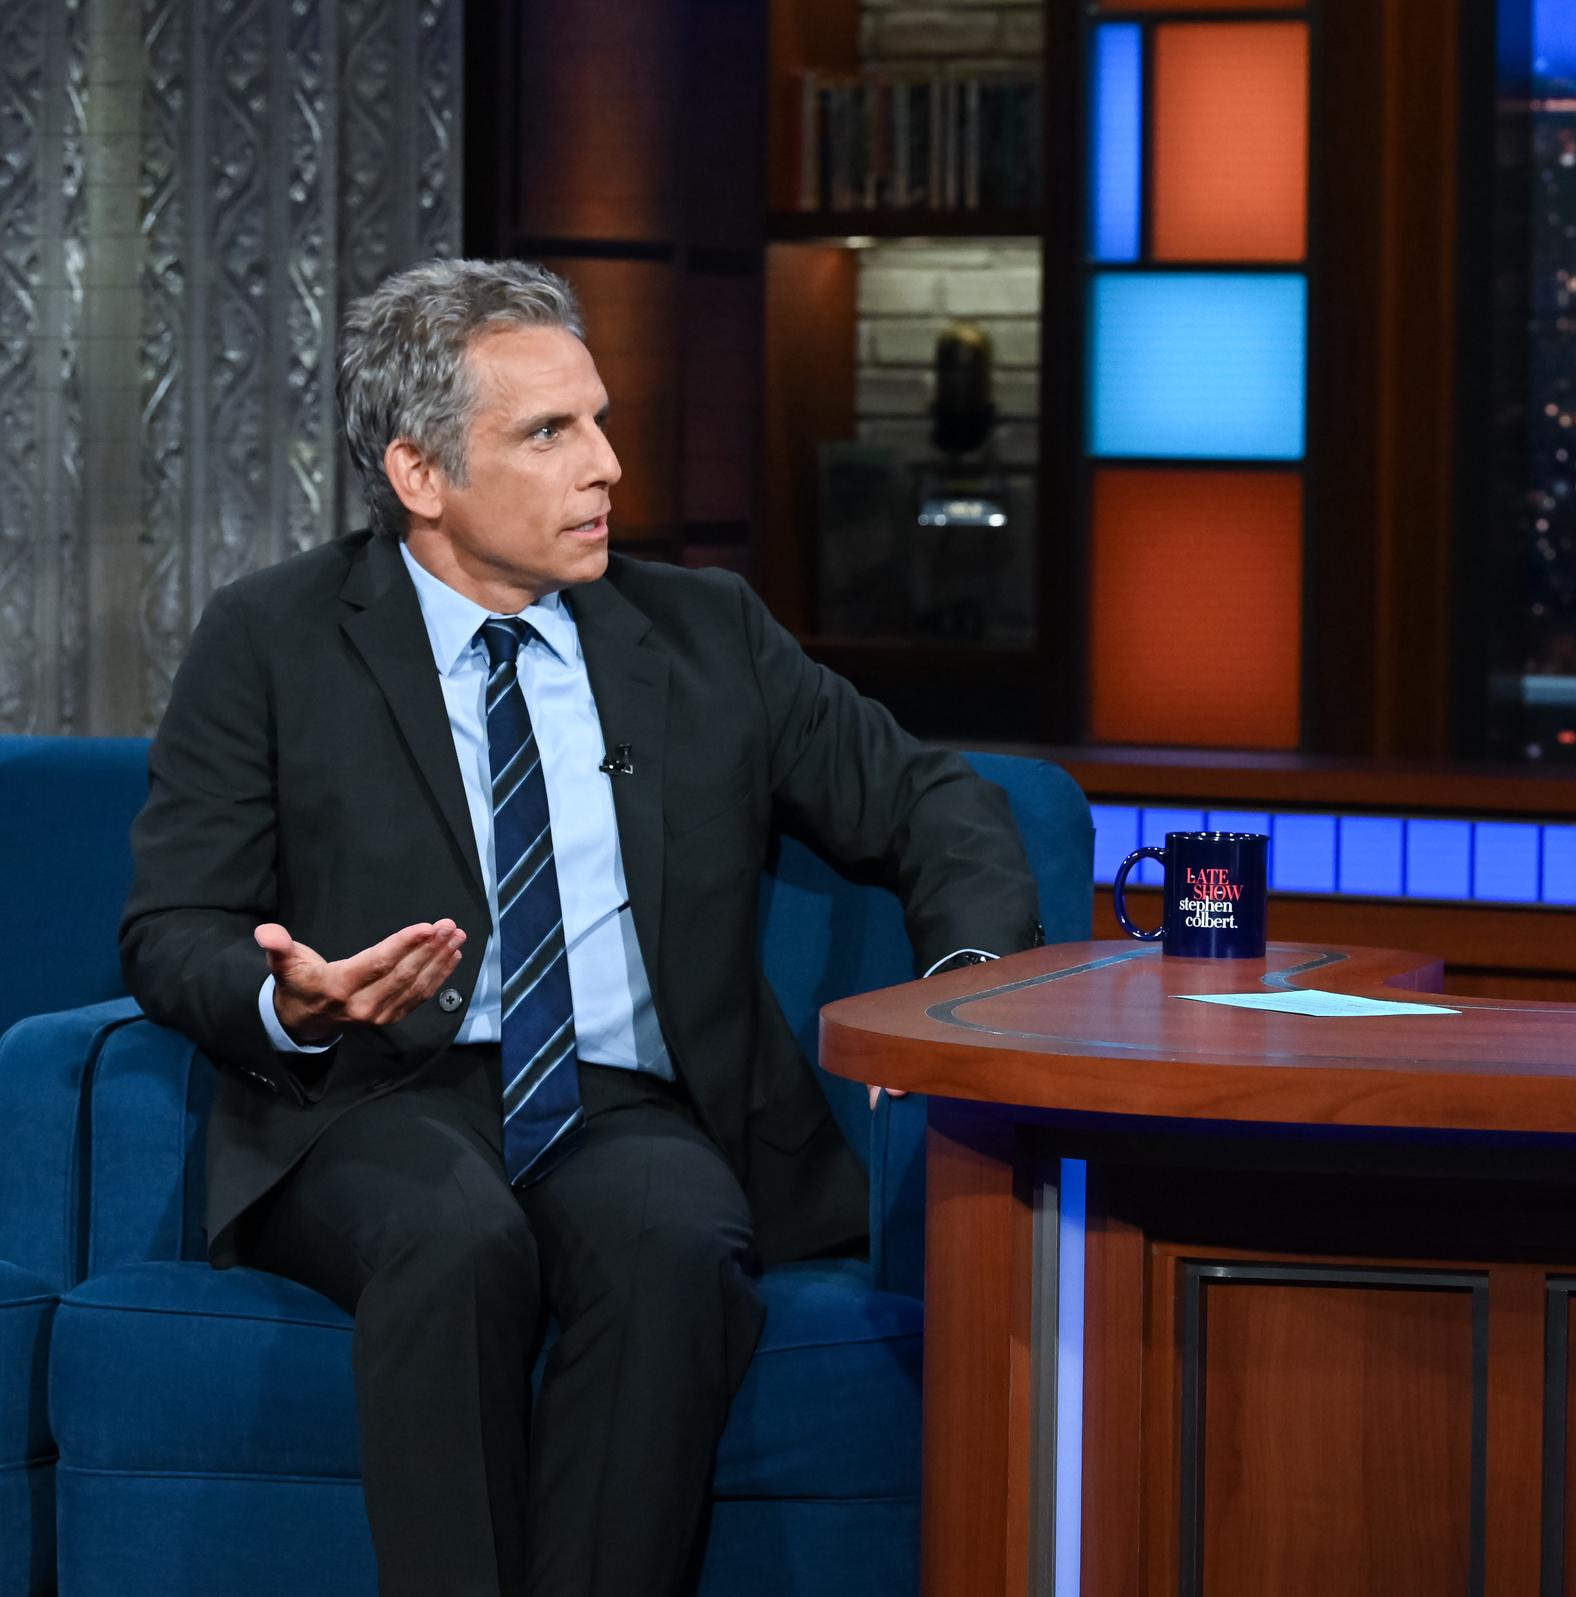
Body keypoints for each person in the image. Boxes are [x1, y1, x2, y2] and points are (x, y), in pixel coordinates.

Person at [119, 258, 1042, 1596]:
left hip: (625, 1104)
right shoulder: (272, 639)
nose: (606, 464)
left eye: (599, 419)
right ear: (421, 477)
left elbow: (926, 796)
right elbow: (170, 924)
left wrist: (959, 986)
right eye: (550, 433)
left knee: (676, 1249)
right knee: (455, 1241)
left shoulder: (702, 631)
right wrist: (292, 1000)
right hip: (373, 1103)